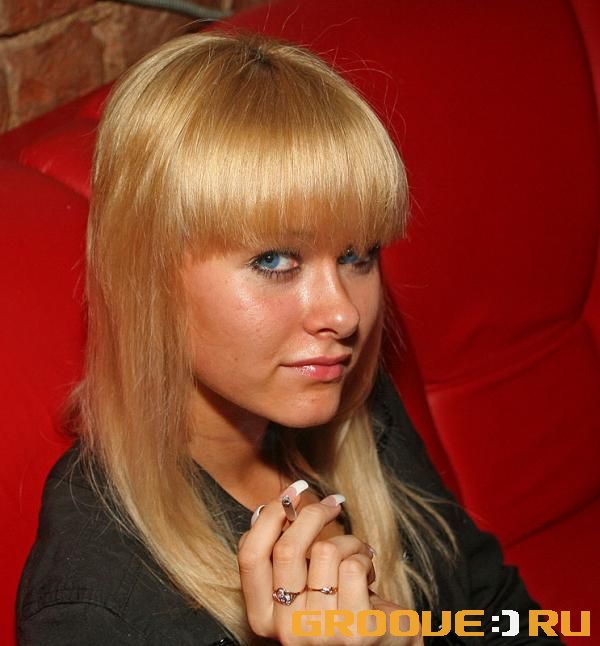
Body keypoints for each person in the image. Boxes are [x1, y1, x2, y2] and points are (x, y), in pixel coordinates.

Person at [16, 30, 564, 646]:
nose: (344, 315)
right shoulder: (96, 604)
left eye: (358, 255)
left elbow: (508, 616)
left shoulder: (346, 400)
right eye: (275, 260)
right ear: (146, 278)